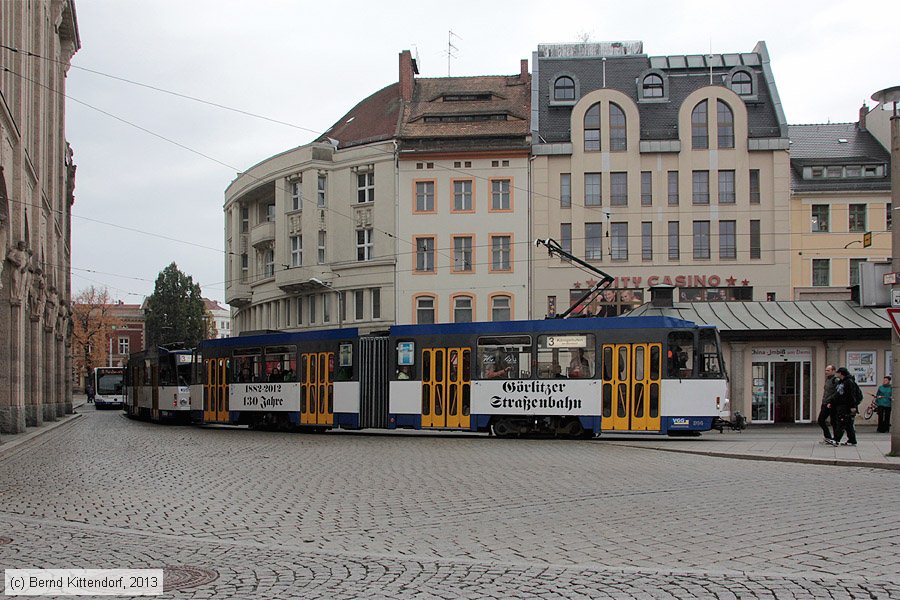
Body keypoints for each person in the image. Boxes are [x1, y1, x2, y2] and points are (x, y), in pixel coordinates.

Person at [830, 367, 860, 446]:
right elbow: (838, 394)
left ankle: (836, 440)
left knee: (841, 423)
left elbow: (851, 395)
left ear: (841, 373)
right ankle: (852, 440)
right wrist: (832, 402)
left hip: (846, 406)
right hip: (841, 406)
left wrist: (852, 407)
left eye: (838, 373)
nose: (837, 374)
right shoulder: (841, 382)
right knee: (848, 424)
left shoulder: (848, 382)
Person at [817, 364, 837, 444]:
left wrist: (831, 401)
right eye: (826, 370)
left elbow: (837, 392)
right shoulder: (828, 379)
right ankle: (828, 437)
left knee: (832, 421)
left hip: (830, 404)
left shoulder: (835, 380)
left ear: (833, 371)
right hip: (825, 402)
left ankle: (834, 438)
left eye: (828, 370)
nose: (826, 372)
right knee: (821, 420)